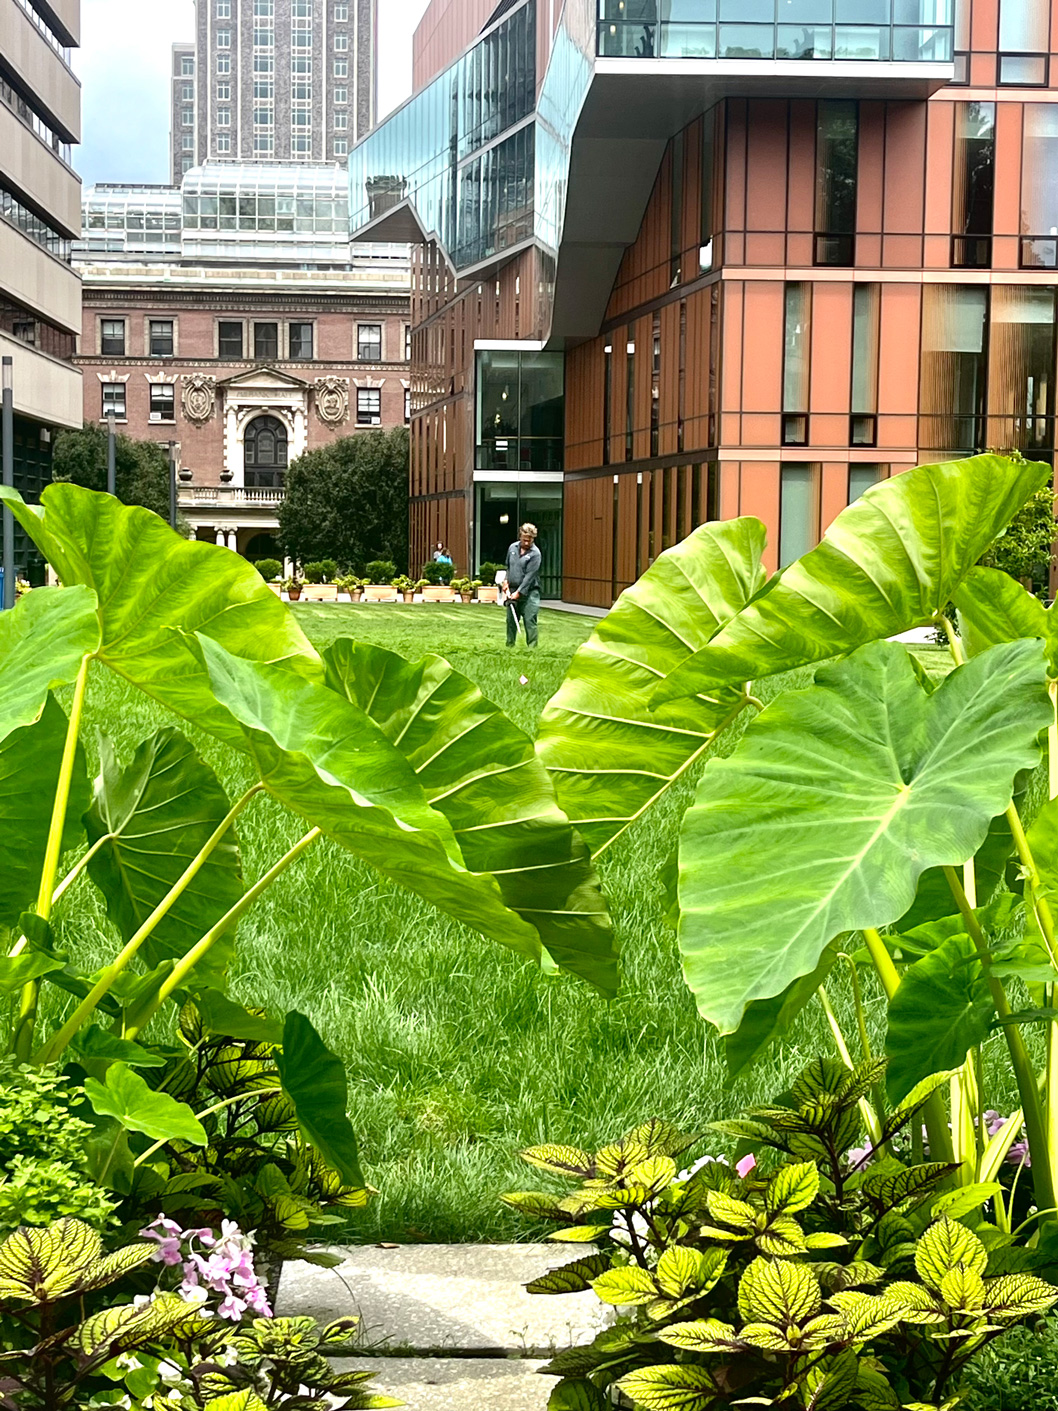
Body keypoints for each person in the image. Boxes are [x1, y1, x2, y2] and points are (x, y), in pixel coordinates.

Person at [504, 523, 542, 648]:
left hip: (530, 592)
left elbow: (529, 577)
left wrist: (519, 593)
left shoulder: (535, 554)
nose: (526, 542)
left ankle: (532, 648)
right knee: (510, 621)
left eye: (529, 540)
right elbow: (508, 567)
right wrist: (506, 582)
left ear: (533, 538)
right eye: (524, 539)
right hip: (512, 589)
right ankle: (509, 646)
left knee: (529, 620)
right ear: (520, 536)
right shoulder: (512, 548)